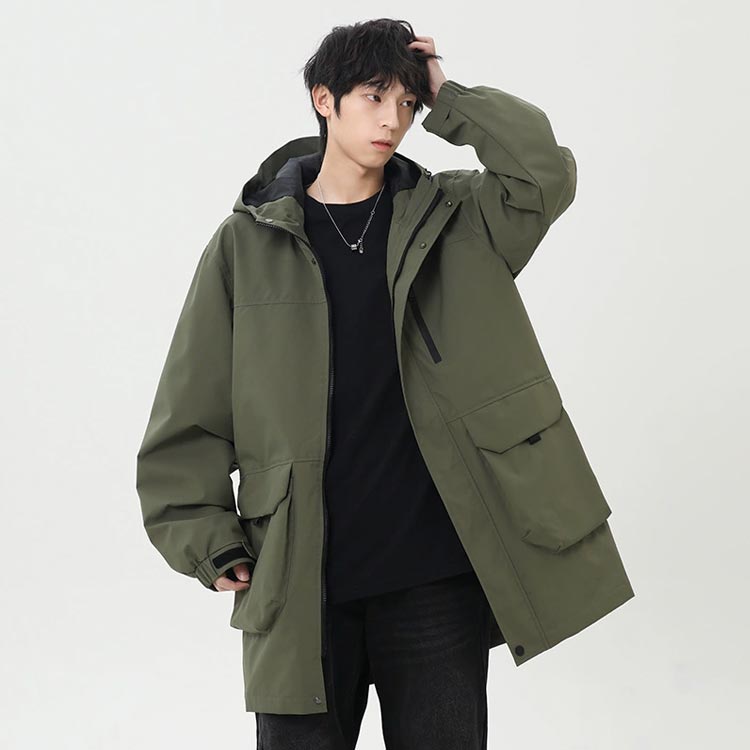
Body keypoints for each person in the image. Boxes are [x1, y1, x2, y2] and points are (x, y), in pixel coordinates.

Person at [136, 17, 635, 750]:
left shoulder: (457, 218)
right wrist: (208, 542)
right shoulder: (247, 243)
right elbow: (190, 411)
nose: (392, 120)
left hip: (435, 576)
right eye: (374, 97)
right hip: (302, 578)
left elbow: (543, 176)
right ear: (324, 99)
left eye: (405, 102)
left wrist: (446, 94)